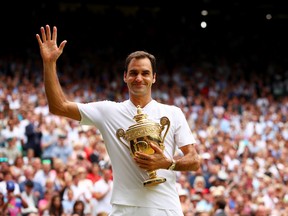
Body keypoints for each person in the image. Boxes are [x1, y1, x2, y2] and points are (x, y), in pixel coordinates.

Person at [36, 24, 201, 216]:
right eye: (133, 73)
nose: (139, 78)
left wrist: (169, 163)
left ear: (154, 78)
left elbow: (194, 160)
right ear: (125, 77)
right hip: (124, 209)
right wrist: (49, 64)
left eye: (145, 73)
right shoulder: (109, 111)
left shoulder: (173, 113)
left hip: (166, 209)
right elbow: (58, 106)